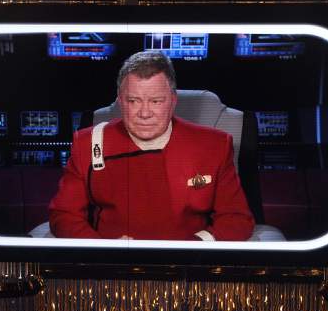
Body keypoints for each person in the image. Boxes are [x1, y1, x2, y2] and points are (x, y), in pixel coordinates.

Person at [49, 50, 254, 241]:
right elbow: (64, 215)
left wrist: (193, 247)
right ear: (120, 101)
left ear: (172, 101)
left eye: (156, 101)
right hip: (113, 263)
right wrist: (106, 250)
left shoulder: (214, 145)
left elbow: (237, 218)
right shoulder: (89, 143)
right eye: (133, 101)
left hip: (187, 262)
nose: (145, 113)